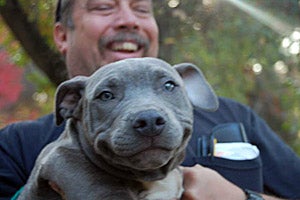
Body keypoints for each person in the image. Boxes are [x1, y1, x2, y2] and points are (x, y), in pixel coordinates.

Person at [0, 0, 299, 199]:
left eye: (142, 9)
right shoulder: (16, 144)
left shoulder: (236, 115)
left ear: (189, 83)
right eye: (104, 7)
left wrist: (242, 198)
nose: (128, 20)